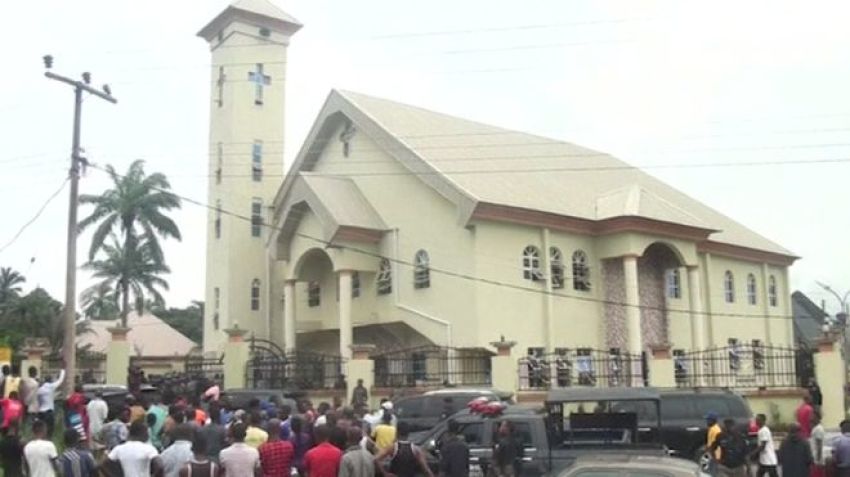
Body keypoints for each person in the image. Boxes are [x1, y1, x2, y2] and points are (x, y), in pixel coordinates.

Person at [36, 369, 64, 437]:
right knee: (50, 430)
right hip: (49, 413)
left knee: (41, 430)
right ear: (50, 380)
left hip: (41, 413)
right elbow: (60, 380)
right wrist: (63, 371)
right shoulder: (51, 387)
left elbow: (38, 401)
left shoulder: (40, 389)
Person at [811, 412, 826, 477]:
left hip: (816, 459)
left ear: (817, 417)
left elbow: (819, 445)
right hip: (815, 457)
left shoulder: (819, 429)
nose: (811, 418)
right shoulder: (815, 428)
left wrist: (818, 460)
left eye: (812, 416)